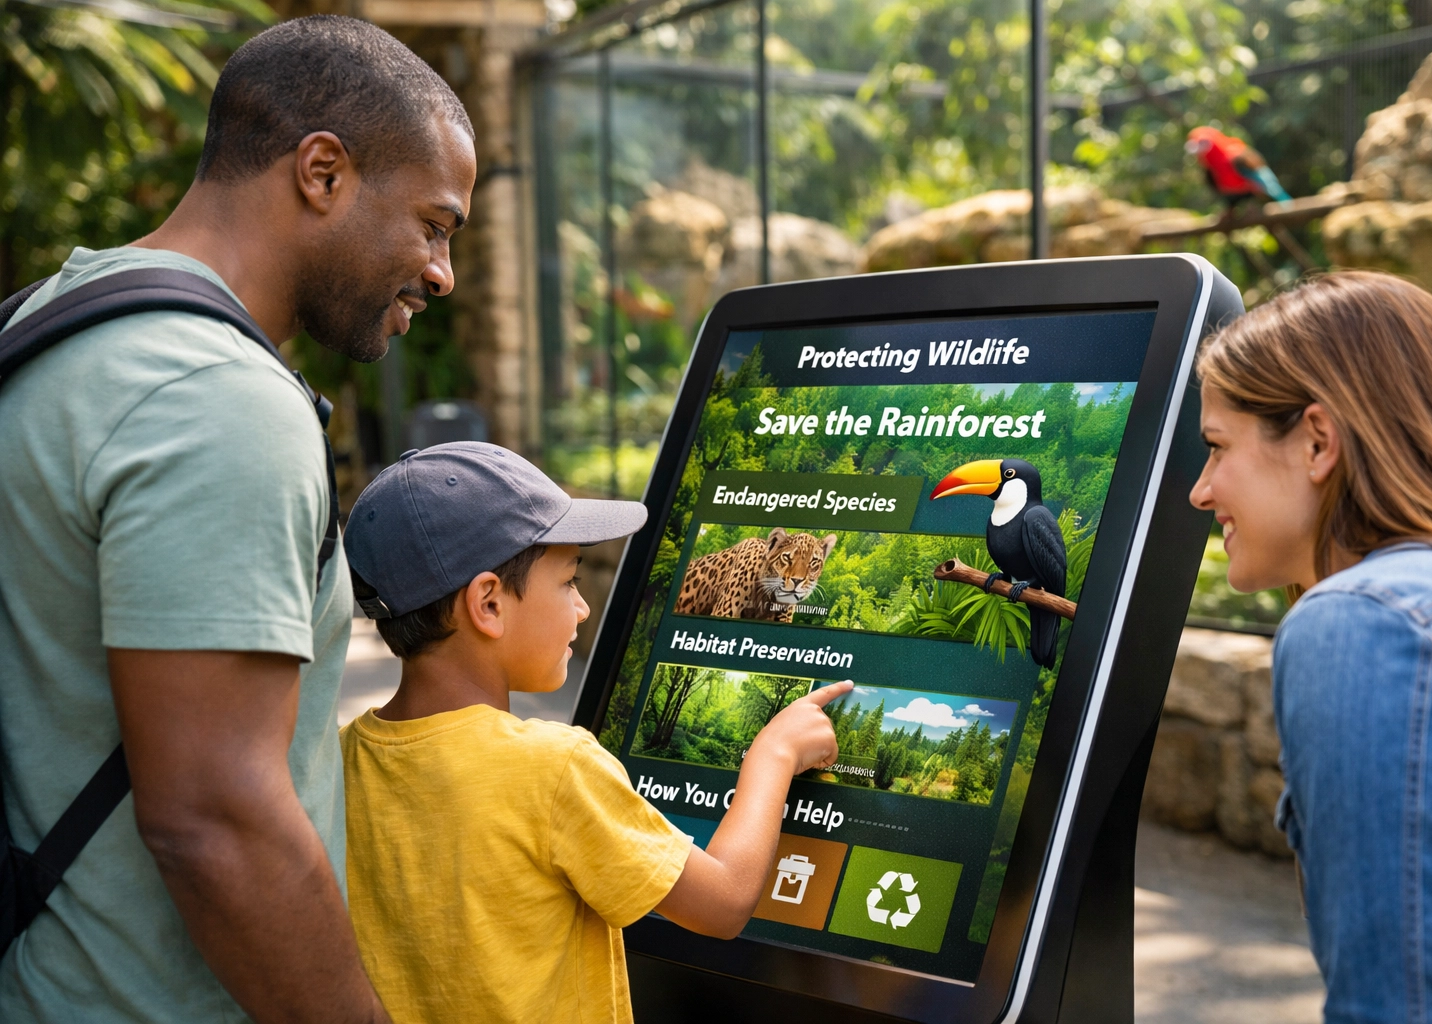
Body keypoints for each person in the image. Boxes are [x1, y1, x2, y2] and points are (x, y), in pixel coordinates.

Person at [0, 16, 475, 1023]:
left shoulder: (50, 322)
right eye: (434, 224)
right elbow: (216, 822)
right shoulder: (218, 401)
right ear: (321, 172)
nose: (442, 273)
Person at [339, 442, 850, 1024]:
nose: (583, 608)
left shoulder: (338, 762)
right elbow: (725, 902)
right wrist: (774, 754)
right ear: (489, 604)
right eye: (568, 581)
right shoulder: (555, 768)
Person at [1189, 270, 1432, 1022]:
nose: (1202, 489)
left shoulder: (1371, 621)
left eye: (1217, 447)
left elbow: (1403, 1007)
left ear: (1318, 440)